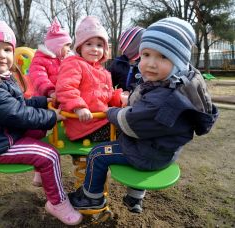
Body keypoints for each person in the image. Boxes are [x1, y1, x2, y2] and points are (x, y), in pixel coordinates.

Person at [67, 17, 219, 213]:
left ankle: (92, 198)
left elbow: (132, 124)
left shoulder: (166, 98)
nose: (151, 64)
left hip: (147, 153)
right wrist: (128, 99)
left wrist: (111, 112)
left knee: (97, 154)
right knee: (131, 140)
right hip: (161, 149)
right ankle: (134, 198)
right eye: (146, 54)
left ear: (179, 61)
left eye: (163, 57)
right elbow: (147, 111)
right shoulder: (178, 83)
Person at [0, 20, 82, 226]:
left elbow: (20, 103)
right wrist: (52, 116)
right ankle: (57, 203)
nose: (1, 55)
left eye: (7, 49)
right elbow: (16, 114)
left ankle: (42, 175)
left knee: (39, 133)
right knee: (49, 155)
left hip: (6, 133)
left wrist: (44, 101)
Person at [55, 16, 128, 142]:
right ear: (79, 47)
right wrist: (79, 107)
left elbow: (107, 97)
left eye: (99, 45)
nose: (95, 48)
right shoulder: (73, 64)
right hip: (84, 126)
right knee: (128, 130)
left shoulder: (103, 72)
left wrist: (119, 98)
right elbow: (65, 88)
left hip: (100, 121)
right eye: (89, 44)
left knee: (132, 123)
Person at [28, 17, 72, 98]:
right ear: (56, 46)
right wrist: (50, 91)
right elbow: (39, 78)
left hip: (62, 97)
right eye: (67, 45)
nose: (69, 49)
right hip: (44, 98)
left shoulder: (67, 61)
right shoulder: (40, 59)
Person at [108, 26, 145, 91]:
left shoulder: (145, 64)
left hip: (142, 99)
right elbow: (107, 85)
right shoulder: (118, 63)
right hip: (122, 99)